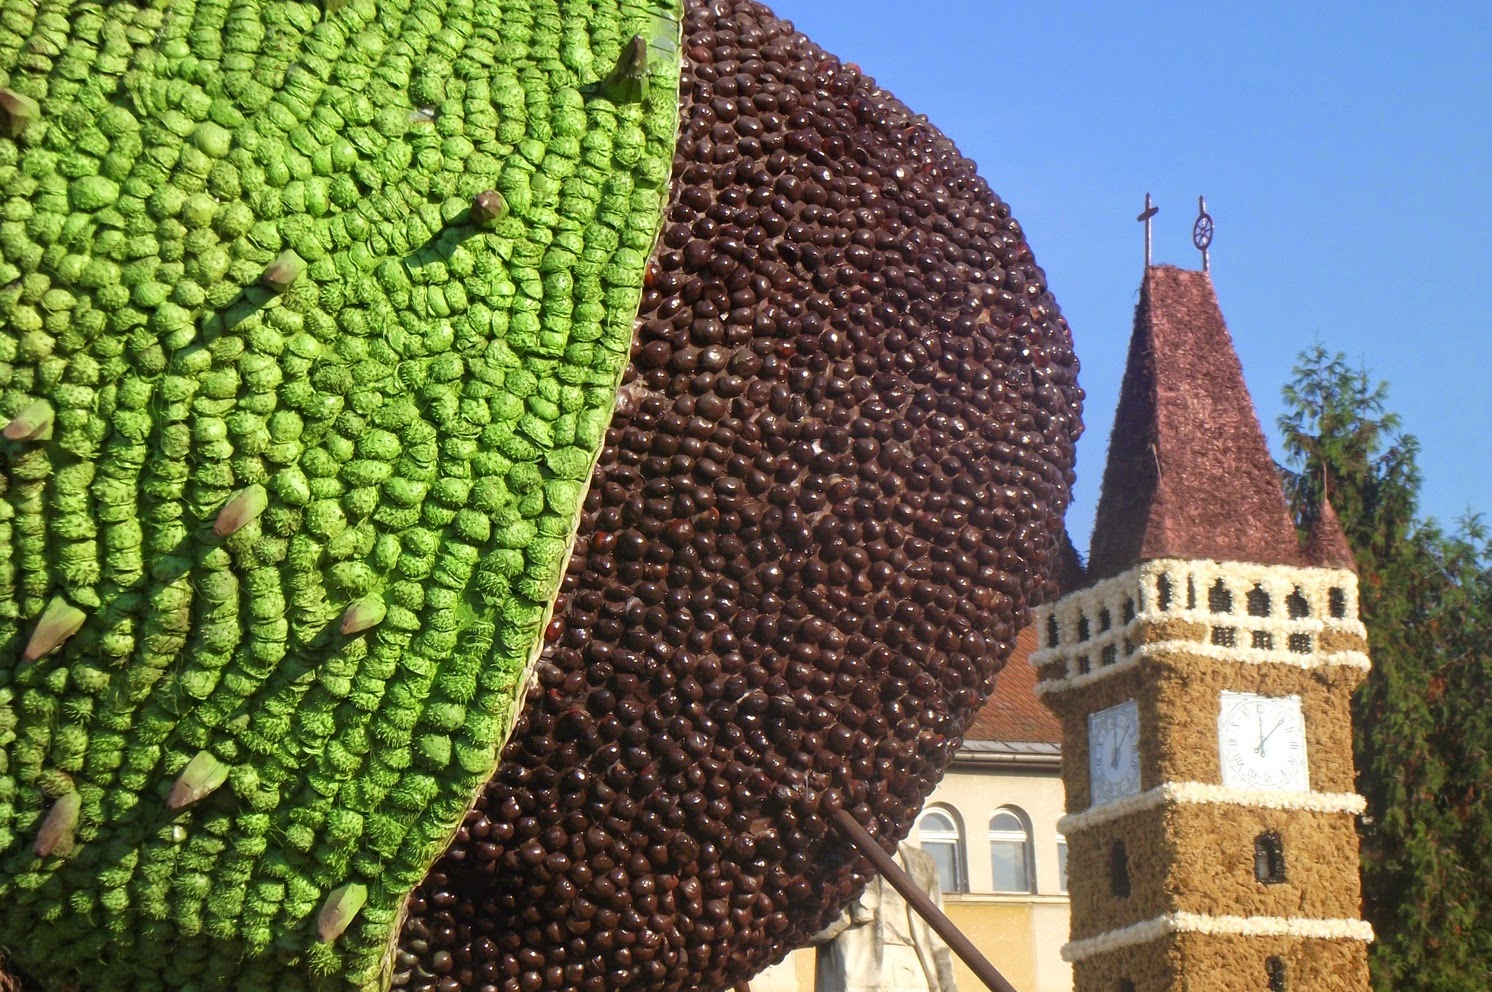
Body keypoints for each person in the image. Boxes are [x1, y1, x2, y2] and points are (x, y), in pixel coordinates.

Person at [813, 843, 958, 992]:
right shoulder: (835, 857)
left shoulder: (921, 861)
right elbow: (804, 929)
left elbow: (937, 937)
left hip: (912, 965)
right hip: (857, 966)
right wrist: (846, 909)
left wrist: (948, 986)